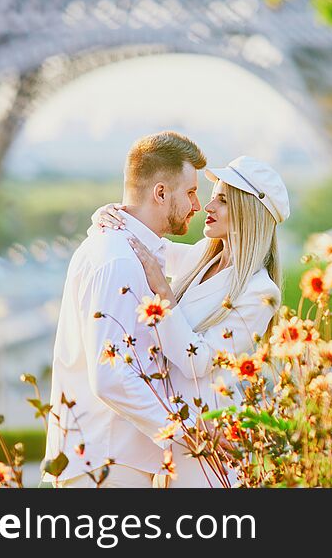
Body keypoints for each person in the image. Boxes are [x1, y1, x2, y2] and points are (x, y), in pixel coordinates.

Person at [92, 155, 288, 487]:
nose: (207, 205)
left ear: (249, 211)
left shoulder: (260, 292)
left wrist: (162, 289)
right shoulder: (200, 255)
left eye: (223, 200)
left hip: (210, 435)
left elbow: (199, 360)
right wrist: (105, 217)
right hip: (174, 433)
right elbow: (141, 242)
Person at [42, 131, 206, 488]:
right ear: (160, 193)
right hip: (106, 464)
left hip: (111, 460)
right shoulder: (117, 259)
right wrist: (187, 433)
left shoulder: (125, 250)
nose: (197, 205)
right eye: (191, 192)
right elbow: (111, 376)